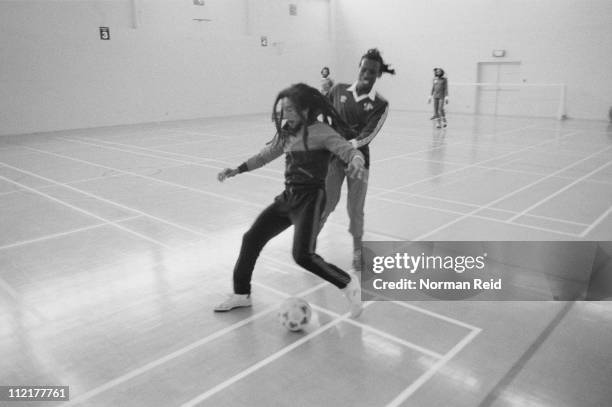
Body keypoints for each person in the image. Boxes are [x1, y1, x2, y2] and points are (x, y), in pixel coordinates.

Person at [214, 83, 365, 318]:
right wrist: (238, 169)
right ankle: (241, 294)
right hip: (288, 198)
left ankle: (347, 283)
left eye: (291, 110)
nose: (286, 114)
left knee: (303, 255)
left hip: (311, 200)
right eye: (284, 110)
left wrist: (356, 160)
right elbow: (265, 155)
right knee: (251, 238)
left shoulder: (321, 131)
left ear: (306, 110)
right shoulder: (287, 134)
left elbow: (348, 150)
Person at [320, 48, 395, 271]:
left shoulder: (381, 104)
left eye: (372, 71)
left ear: (378, 74)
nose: (367, 74)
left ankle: (357, 252)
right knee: (326, 203)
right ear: (359, 68)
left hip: (359, 163)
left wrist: (346, 147)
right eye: (364, 69)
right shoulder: (338, 89)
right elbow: (320, 110)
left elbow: (368, 135)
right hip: (333, 159)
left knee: (355, 209)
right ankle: (309, 243)